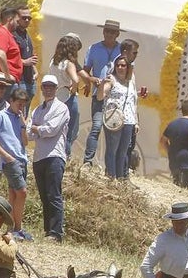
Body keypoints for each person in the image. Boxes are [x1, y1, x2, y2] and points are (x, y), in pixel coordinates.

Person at [28, 74, 69, 242]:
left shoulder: (61, 108)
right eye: (45, 86)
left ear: (56, 88)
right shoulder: (38, 109)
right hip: (39, 157)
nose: (48, 89)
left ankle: (56, 232)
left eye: (51, 86)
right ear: (42, 88)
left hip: (54, 155)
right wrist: (38, 129)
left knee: (54, 194)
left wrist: (38, 129)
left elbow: (51, 130)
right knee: (44, 195)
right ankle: (48, 230)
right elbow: (29, 133)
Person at [81, 20, 124, 165]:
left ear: (117, 34)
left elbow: (129, 72)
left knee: (114, 131)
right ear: (103, 32)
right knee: (96, 127)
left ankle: (112, 165)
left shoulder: (122, 50)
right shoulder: (93, 48)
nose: (110, 34)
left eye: (113, 32)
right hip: (98, 93)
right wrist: (92, 80)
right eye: (107, 31)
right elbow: (85, 71)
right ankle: (88, 160)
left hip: (117, 96)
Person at [0, 86, 31, 241]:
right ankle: (18, 228)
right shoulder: (0, 116)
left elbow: (26, 142)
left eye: (23, 104)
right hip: (11, 160)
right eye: (19, 104)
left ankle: (9, 227)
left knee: (14, 194)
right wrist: (7, 156)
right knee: (22, 192)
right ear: (11, 101)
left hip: (22, 159)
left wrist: (23, 125)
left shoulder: (19, 118)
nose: (21, 107)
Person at [98, 54, 138, 180]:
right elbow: (100, 97)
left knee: (123, 151)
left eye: (123, 65)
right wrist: (102, 85)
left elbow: (134, 102)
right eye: (118, 65)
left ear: (128, 67)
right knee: (112, 149)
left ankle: (120, 178)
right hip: (114, 119)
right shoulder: (111, 79)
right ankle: (111, 176)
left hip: (128, 119)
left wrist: (136, 121)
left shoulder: (131, 81)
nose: (120, 67)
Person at [48, 33, 81, 158]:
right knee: (70, 131)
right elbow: (76, 79)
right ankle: (65, 155)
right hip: (67, 98)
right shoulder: (68, 63)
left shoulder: (53, 61)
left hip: (55, 96)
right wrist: (73, 90)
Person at [11, 7, 36, 107]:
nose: (27, 20)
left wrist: (35, 70)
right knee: (18, 112)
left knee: (25, 114)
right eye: (24, 17)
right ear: (17, 18)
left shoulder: (26, 34)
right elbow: (9, 58)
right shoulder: (13, 34)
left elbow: (28, 55)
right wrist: (25, 62)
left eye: (29, 18)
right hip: (20, 80)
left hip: (30, 79)